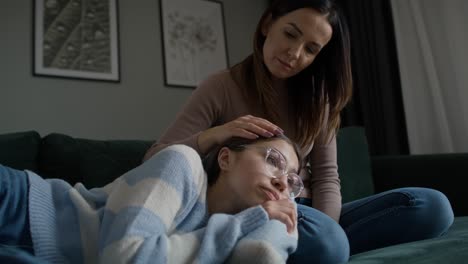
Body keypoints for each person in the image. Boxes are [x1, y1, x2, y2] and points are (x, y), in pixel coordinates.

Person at [144, 0, 454, 263]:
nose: (294, 53)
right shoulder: (221, 86)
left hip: (305, 211)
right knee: (328, 243)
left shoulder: (320, 103)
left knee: (433, 207)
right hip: (255, 208)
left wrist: (326, 224)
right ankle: (320, 247)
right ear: (267, 24)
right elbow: (154, 159)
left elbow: (327, 178)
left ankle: (323, 247)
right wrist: (217, 134)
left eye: (311, 49)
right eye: (290, 35)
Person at [0, 135, 303, 263]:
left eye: (292, 180)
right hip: (18, 206)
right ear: (225, 159)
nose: (281, 180)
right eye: (273, 160)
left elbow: (263, 253)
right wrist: (247, 221)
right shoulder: (182, 163)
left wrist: (271, 226)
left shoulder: (218, 242)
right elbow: (125, 257)